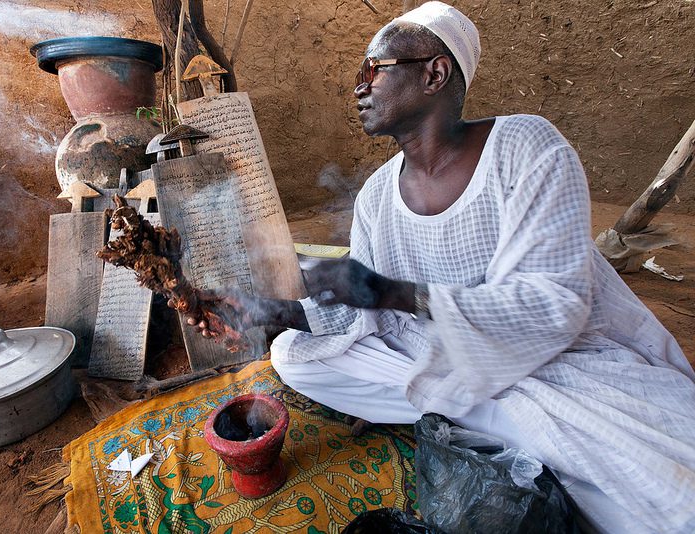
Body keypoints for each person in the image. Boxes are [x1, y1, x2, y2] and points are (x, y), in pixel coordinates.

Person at [184, 2, 695, 532]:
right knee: (294, 357)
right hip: (439, 351)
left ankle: (484, 415)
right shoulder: (377, 196)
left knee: (672, 497)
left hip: (558, 358)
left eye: (374, 69)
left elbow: (555, 307)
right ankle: (484, 414)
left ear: (435, 73)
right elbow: (361, 313)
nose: (359, 86)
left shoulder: (526, 147)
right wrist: (265, 312)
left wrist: (395, 292)